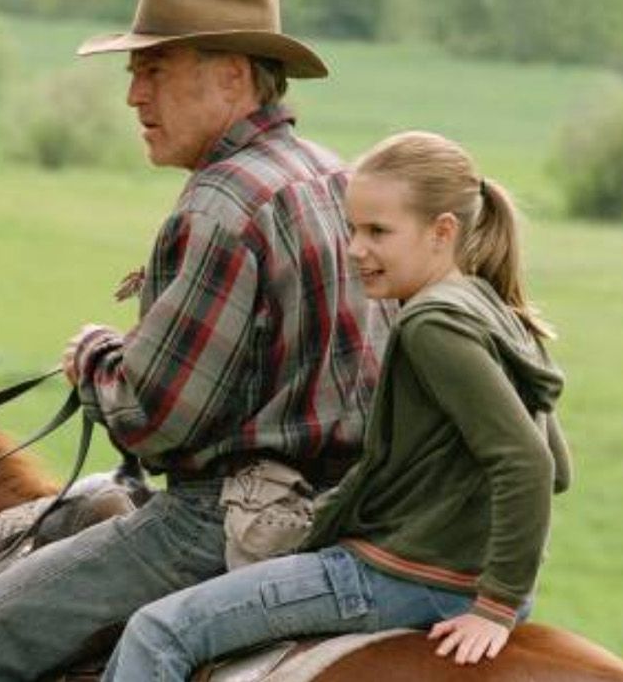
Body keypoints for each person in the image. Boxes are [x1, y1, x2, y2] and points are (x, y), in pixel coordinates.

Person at [0, 0, 389, 679]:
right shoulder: (333, 171)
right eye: (133, 74)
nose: (133, 97)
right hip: (346, 508)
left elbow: (155, 420)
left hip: (217, 521)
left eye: (154, 70)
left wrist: (94, 357)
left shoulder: (222, 201)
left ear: (232, 76)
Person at [100, 131, 574, 680]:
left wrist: (495, 606)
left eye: (378, 231)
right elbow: (557, 464)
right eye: (352, 229)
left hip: (404, 579)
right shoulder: (495, 309)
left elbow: (527, 463)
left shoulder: (430, 323)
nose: (355, 249)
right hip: (456, 576)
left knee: (159, 631)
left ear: (443, 232)